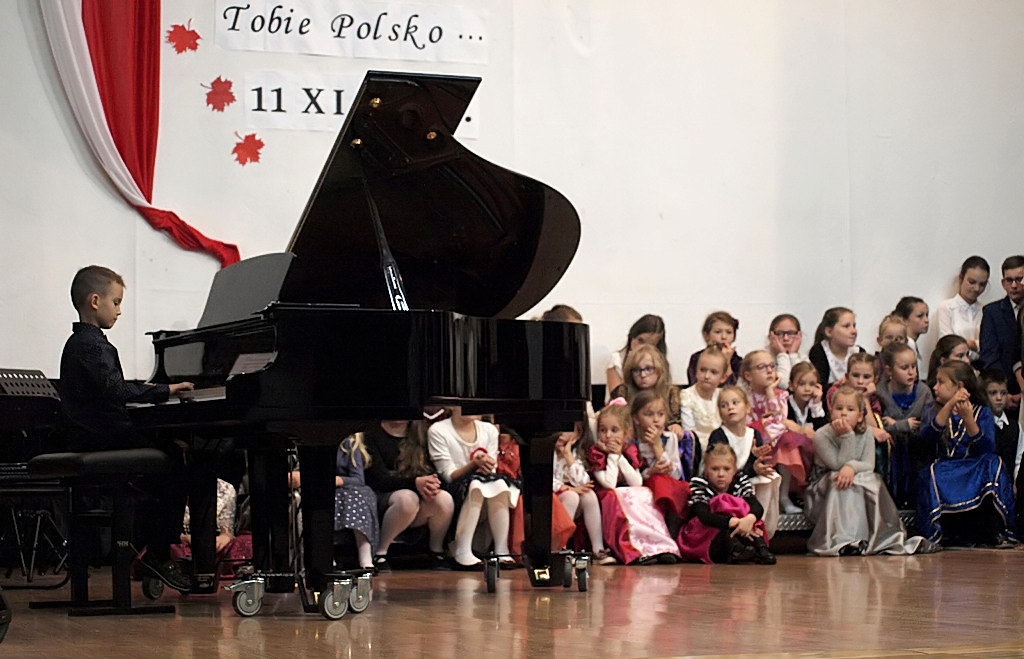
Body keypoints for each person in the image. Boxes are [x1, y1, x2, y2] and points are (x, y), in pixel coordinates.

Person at [58, 265, 196, 591]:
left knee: (161, 461)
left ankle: (148, 548)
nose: (119, 311)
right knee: (174, 459)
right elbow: (116, 391)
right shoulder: (91, 345)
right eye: (116, 302)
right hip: (99, 440)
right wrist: (165, 390)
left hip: (91, 436)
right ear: (95, 301)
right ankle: (157, 554)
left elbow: (110, 388)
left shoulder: (81, 343)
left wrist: (147, 389)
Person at [804, 386, 932, 556]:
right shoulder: (822, 435)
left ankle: (878, 537)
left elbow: (868, 465)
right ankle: (841, 540)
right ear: (831, 412)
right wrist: (847, 436)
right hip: (824, 488)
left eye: (850, 409)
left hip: (857, 478)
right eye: (839, 408)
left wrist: (851, 467)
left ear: (860, 416)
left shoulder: (866, 433)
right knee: (839, 480)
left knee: (871, 480)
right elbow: (837, 465)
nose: (843, 413)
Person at [917, 361, 1016, 547]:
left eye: (941, 382)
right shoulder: (933, 409)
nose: (935, 387)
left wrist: (968, 419)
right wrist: (950, 405)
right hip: (946, 467)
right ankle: (939, 534)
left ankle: (998, 531)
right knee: (929, 473)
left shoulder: (982, 412)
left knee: (994, 463)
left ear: (960, 386)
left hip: (974, 466)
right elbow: (928, 438)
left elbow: (986, 449)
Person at [588, 401, 680, 564]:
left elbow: (637, 482)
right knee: (617, 496)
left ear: (626, 433)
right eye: (603, 430)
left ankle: (659, 546)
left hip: (626, 492)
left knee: (644, 493)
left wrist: (620, 457)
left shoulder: (629, 450)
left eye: (614, 430)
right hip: (606, 494)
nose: (608, 435)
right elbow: (609, 483)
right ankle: (634, 550)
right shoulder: (597, 453)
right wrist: (613, 456)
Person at [428, 407, 519, 569]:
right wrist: (473, 464)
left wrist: (484, 464)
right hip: (453, 490)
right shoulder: (438, 430)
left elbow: (491, 470)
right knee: (476, 485)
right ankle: (462, 549)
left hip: (484, 487)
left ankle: (501, 549)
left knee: (498, 483)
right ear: (452, 406)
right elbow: (449, 475)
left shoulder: (489, 430)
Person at [361, 419, 454, 572]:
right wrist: (415, 483)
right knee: (407, 499)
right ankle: (380, 552)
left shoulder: (423, 433)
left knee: (443, 499)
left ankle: (436, 551)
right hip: (383, 498)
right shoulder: (370, 434)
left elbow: (437, 471)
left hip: (417, 497)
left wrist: (432, 484)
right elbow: (379, 480)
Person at [677, 443, 775, 565]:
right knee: (723, 501)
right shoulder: (700, 483)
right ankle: (737, 549)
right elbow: (703, 516)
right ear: (706, 470)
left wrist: (748, 520)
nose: (721, 474)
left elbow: (756, 507)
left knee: (746, 511)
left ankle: (760, 547)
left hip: (739, 527)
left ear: (734, 470)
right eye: (715, 469)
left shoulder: (740, 480)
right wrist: (734, 522)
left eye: (726, 469)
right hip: (706, 532)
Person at [704, 385, 781, 538]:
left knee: (770, 477)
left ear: (747, 407)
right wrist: (753, 469)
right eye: (724, 405)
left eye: (735, 403)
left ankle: (761, 526)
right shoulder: (719, 435)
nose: (730, 408)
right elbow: (723, 469)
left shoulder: (753, 434)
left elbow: (757, 464)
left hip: (745, 477)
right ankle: (743, 524)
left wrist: (758, 463)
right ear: (719, 412)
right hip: (725, 482)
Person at [740, 350, 811, 514]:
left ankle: (783, 497)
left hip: (777, 439)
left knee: (787, 441)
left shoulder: (781, 395)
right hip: (753, 440)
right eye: (762, 367)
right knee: (780, 437)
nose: (769, 371)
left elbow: (778, 420)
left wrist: (771, 392)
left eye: (772, 366)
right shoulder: (744, 398)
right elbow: (746, 424)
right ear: (748, 375)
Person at [876, 343, 934, 508]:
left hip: (917, 450)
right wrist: (902, 425)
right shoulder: (880, 392)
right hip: (891, 451)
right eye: (904, 368)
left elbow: (925, 425)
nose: (911, 372)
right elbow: (879, 426)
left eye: (913, 366)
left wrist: (895, 423)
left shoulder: (923, 392)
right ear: (889, 370)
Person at [552, 422, 615, 564]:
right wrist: (567, 488)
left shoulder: (575, 455)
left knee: (589, 495)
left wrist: (568, 456)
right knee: (571, 497)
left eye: (568, 430)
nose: (561, 433)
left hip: (569, 496)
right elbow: (543, 479)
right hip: (551, 498)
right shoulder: (548, 452)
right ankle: (559, 548)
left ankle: (598, 549)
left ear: (578, 434)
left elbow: (583, 482)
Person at [631, 390, 691, 534]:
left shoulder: (670, 438)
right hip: (644, 486)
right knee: (658, 482)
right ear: (636, 418)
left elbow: (676, 474)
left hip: (669, 485)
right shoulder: (632, 442)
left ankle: (672, 531)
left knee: (681, 488)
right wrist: (651, 472)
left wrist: (657, 447)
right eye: (649, 414)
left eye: (660, 414)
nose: (656, 420)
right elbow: (633, 478)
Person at [611, 343, 686, 441]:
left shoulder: (671, 392)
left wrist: (676, 427)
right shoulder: (622, 392)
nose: (642, 374)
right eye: (636, 370)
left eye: (649, 369)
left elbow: (675, 422)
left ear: (659, 369)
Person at [979, 256, 1024, 411]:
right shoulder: (992, 312)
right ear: (1003, 283)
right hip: (1004, 392)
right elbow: (989, 355)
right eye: (1009, 280)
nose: (1014, 285)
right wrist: (1004, 392)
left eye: (1019, 279)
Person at [333, 433, 380, 571]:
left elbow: (358, 479)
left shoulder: (349, 444)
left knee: (355, 496)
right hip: (321, 489)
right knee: (323, 500)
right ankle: (326, 558)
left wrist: (338, 480)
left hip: (348, 488)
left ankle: (365, 556)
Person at [936, 255, 990, 362]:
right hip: (955, 366)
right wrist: (976, 345)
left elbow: (990, 345)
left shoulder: (987, 310)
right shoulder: (946, 307)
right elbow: (948, 344)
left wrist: (970, 344)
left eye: (982, 284)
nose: (977, 288)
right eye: (972, 282)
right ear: (961, 278)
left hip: (983, 365)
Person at [605, 314, 666, 400]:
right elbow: (617, 399)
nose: (642, 347)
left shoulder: (659, 363)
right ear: (631, 337)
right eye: (640, 340)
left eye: (650, 344)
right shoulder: (617, 360)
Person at [680, 347, 728, 455]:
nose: (706, 376)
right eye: (702, 370)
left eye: (713, 372)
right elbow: (689, 431)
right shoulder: (687, 396)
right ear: (696, 371)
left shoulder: (723, 396)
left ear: (723, 378)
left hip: (720, 447)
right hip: (695, 449)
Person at [808, 307, 865, 387]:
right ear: (829, 332)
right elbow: (818, 385)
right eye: (846, 326)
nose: (854, 331)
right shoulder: (819, 352)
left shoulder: (859, 353)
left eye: (854, 326)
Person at [687, 311, 742, 386]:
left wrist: (727, 362)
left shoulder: (738, 361)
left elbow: (733, 388)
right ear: (706, 335)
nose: (724, 337)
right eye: (718, 332)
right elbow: (696, 384)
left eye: (729, 332)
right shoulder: (697, 358)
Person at [786, 362, 828, 438]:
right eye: (801, 384)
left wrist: (816, 404)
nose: (807, 389)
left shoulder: (818, 404)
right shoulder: (785, 404)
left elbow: (822, 433)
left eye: (812, 384)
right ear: (791, 385)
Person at [892, 296, 931, 379]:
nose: (926, 320)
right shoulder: (908, 343)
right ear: (904, 320)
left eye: (927, 315)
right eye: (920, 316)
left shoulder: (911, 343)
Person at [767, 314, 807, 389]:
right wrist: (782, 355)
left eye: (791, 333)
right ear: (771, 336)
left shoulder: (803, 358)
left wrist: (793, 355)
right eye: (779, 334)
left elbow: (803, 384)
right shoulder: (764, 359)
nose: (786, 338)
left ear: (799, 336)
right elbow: (783, 385)